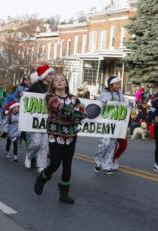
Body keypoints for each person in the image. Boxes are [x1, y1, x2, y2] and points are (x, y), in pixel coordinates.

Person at [34, 74, 85, 204]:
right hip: (55, 135)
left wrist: (77, 113)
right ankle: (43, 177)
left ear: (66, 83)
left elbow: (82, 112)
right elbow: (63, 110)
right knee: (55, 164)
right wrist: (75, 114)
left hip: (71, 136)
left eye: (62, 80)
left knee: (67, 165)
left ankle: (64, 193)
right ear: (53, 85)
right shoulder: (50, 97)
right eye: (56, 80)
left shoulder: (74, 98)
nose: (59, 82)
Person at [94, 76, 127, 174]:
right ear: (111, 84)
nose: (118, 86)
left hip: (116, 124)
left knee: (112, 145)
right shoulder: (104, 94)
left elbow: (124, 107)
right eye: (116, 84)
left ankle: (107, 165)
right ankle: (98, 161)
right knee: (104, 144)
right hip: (106, 124)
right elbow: (98, 106)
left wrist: (128, 105)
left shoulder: (121, 96)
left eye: (119, 84)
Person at [24, 65, 54, 173]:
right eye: (49, 74)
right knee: (36, 142)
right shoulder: (35, 86)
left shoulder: (52, 87)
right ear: (44, 75)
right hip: (35, 119)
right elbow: (26, 98)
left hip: (47, 119)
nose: (52, 76)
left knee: (45, 144)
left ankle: (42, 164)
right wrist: (23, 94)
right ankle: (29, 154)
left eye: (52, 74)